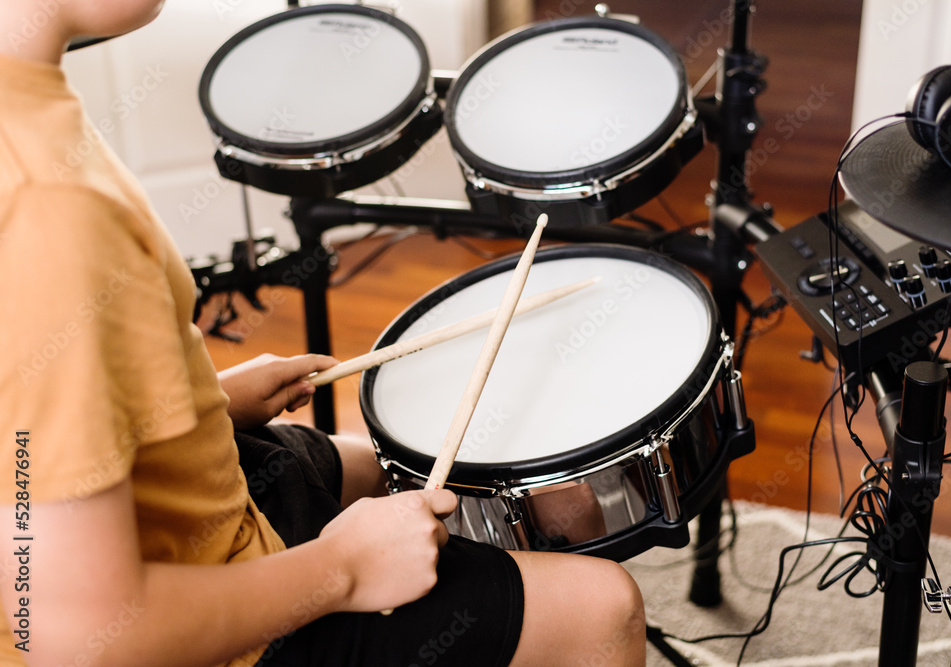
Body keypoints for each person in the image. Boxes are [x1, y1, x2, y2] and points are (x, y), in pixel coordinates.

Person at [0, 1, 647, 666]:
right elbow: (74, 635)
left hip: (192, 500)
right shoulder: (42, 202)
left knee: (501, 491)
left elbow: (24, 435)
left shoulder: (23, 104)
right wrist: (341, 569)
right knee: (603, 608)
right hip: (193, 624)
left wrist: (202, 399)